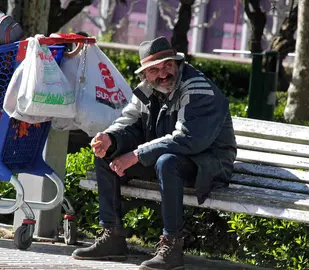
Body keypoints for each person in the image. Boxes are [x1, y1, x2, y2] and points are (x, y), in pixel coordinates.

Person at [71, 36, 237, 270]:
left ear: (177, 63)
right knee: (107, 153)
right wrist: (109, 137)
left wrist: (136, 155)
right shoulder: (147, 90)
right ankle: (113, 236)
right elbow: (128, 121)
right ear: (144, 74)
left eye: (167, 66)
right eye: (154, 70)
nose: (162, 74)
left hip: (208, 164)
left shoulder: (198, 88)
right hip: (165, 160)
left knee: (168, 162)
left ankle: (172, 248)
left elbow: (188, 140)